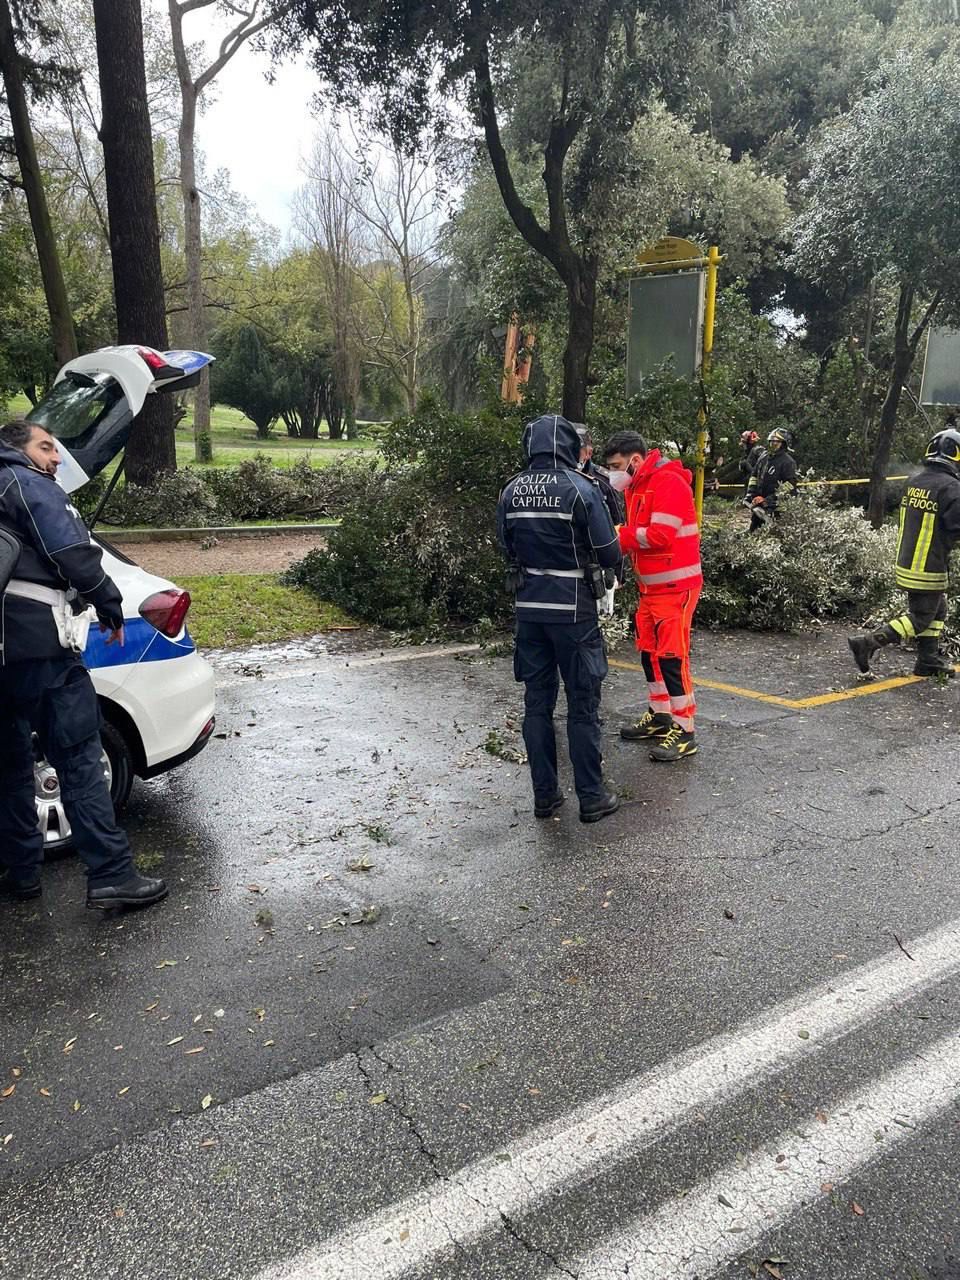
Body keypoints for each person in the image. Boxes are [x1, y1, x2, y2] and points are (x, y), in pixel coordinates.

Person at [0, 420, 168, 908]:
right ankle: (113, 875)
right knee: (78, 760)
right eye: (47, 447)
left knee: (11, 767)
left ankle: (22, 873)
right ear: (18, 450)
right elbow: (72, 550)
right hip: (39, 650)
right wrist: (109, 603)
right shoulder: (25, 481)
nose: (56, 460)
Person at [497, 414, 621, 824]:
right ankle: (591, 797)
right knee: (582, 703)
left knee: (537, 704)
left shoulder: (511, 490)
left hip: (529, 609)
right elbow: (608, 551)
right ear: (569, 446)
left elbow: (505, 545)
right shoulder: (580, 488)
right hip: (573, 610)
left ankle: (545, 797)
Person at [603, 430, 702, 762]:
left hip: (676, 588)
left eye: (616, 465)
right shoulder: (637, 486)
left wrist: (619, 536)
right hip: (651, 589)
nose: (614, 473)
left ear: (635, 460)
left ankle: (684, 729)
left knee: (673, 658)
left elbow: (660, 535)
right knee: (650, 653)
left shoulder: (668, 482)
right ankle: (661, 716)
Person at [847, 428, 960, 679]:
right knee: (920, 618)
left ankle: (927, 661)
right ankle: (867, 642)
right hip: (929, 566)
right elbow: (955, 527)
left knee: (937, 610)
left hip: (908, 561)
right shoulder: (952, 488)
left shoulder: (916, 480)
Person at [745, 427, 798, 531]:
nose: (773, 444)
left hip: (777, 507)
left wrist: (768, 499)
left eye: (776, 442)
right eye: (771, 441)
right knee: (753, 532)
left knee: (774, 534)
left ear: (783, 444)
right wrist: (751, 494)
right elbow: (754, 475)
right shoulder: (764, 457)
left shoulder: (788, 462)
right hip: (760, 505)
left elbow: (790, 485)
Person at [738, 430, 763, 495]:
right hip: (748, 483)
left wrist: (746, 465)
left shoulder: (757, 450)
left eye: (744, 443)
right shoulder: (747, 453)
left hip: (755, 485)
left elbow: (760, 471)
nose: (743, 445)